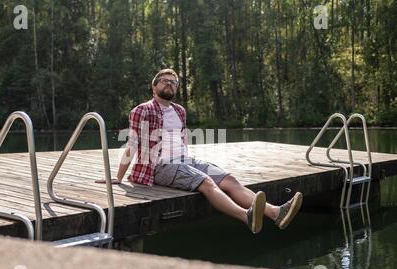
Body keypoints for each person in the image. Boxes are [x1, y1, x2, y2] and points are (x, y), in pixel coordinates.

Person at [96, 69, 302, 234]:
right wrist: (118, 177)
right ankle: (245, 216)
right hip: (160, 166)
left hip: (185, 161)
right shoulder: (143, 110)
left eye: (173, 82)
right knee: (206, 182)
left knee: (230, 180)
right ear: (154, 86)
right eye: (164, 80)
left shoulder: (179, 111)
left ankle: (276, 213)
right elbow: (132, 144)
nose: (169, 83)